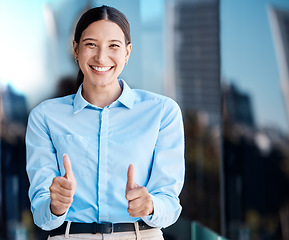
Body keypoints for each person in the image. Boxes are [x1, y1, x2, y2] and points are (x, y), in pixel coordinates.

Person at [26, 5, 184, 240]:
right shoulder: (45, 117)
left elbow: (170, 204)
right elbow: (41, 213)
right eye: (91, 44)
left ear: (127, 53)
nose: (101, 57)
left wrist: (150, 205)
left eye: (113, 46)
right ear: (75, 49)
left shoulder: (162, 112)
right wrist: (55, 205)